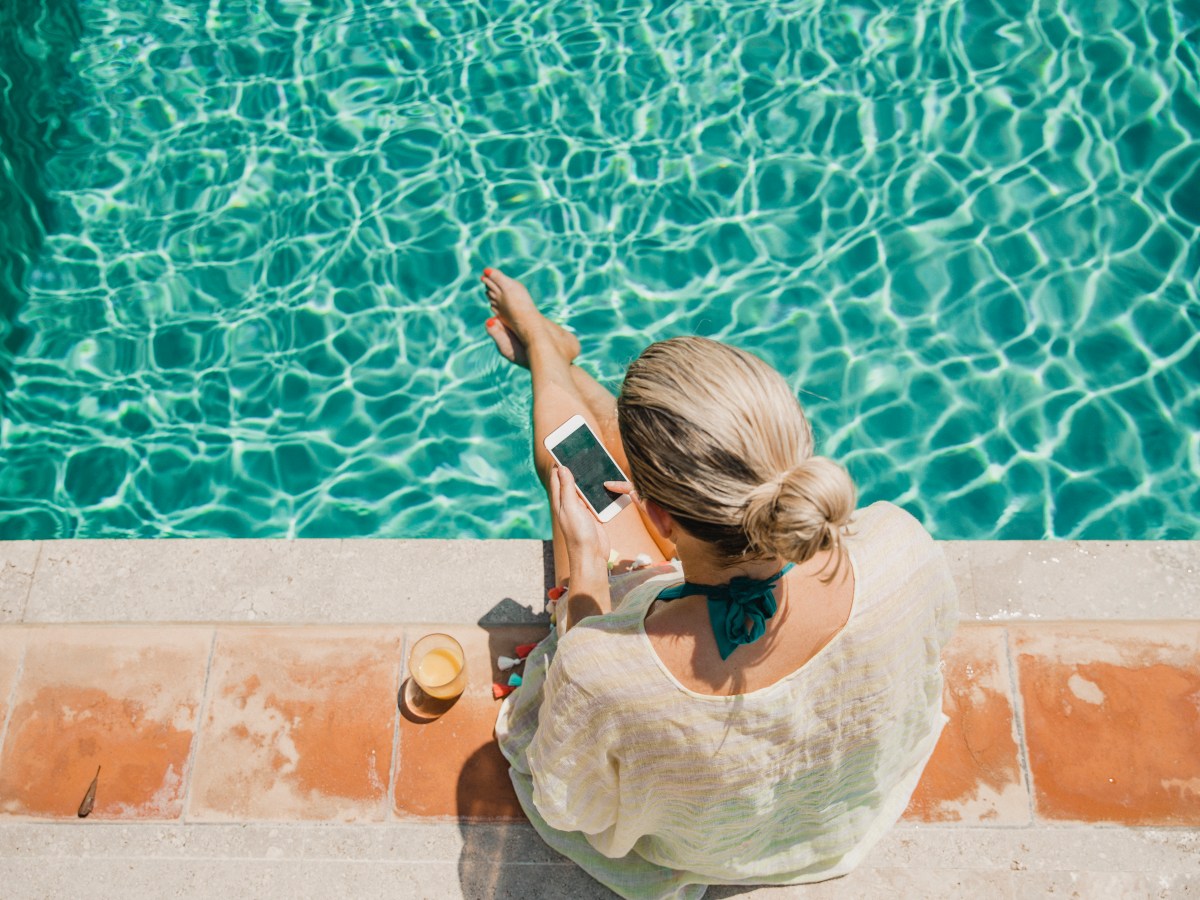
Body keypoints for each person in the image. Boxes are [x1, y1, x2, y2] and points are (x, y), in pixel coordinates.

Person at [482, 266, 958, 900]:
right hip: (843, 817)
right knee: (615, 473)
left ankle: (546, 351)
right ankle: (561, 361)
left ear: (657, 516)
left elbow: (573, 802)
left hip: (703, 843)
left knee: (578, 474)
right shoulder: (902, 548)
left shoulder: (607, 671)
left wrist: (590, 566)